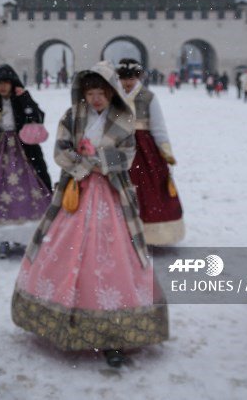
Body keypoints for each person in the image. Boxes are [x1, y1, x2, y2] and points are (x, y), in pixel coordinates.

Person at [12, 61, 168, 368]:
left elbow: (127, 153)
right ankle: (61, 319)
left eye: (102, 92)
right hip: (77, 192)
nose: (96, 98)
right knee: (64, 247)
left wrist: (98, 161)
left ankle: (115, 328)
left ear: (111, 93)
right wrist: (84, 165)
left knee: (114, 254)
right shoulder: (71, 117)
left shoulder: (124, 118)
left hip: (111, 194)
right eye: (91, 92)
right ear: (84, 93)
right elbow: (60, 151)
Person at [0, 64, 52, 258]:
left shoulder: (20, 98)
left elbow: (38, 117)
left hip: (24, 154)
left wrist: (24, 97)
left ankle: (25, 233)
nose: (3, 87)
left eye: (6, 83)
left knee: (27, 192)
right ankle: (2, 236)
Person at [118, 59, 185, 246]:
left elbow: (158, 126)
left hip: (144, 149)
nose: (127, 83)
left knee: (148, 190)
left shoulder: (148, 97)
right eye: (124, 78)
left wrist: (165, 150)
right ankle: (120, 231)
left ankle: (149, 233)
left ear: (138, 77)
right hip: (119, 147)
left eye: (131, 78)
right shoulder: (113, 96)